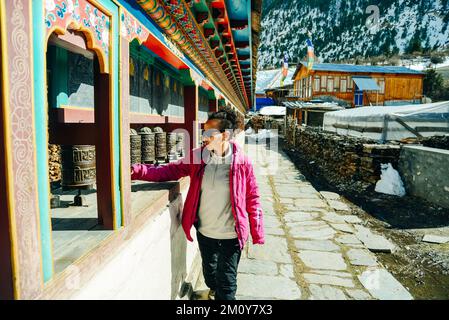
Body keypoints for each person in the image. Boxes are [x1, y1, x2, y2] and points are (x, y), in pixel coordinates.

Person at [131, 107, 265, 300]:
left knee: (227, 287)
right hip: (205, 232)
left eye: (209, 134)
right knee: (210, 276)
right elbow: (169, 171)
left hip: (231, 235)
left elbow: (252, 197)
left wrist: (256, 230)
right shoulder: (198, 157)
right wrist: (138, 171)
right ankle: (212, 290)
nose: (204, 137)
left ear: (225, 135)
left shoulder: (242, 162)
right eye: (203, 132)